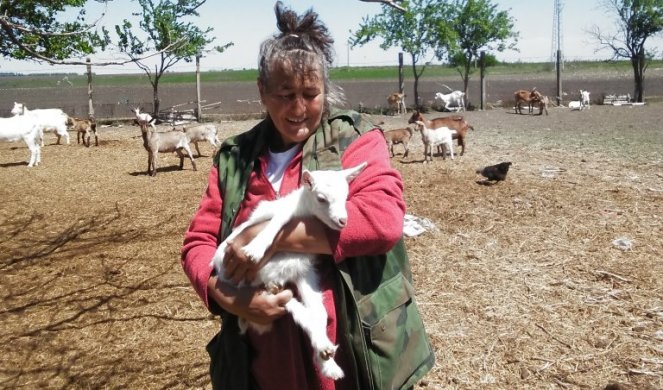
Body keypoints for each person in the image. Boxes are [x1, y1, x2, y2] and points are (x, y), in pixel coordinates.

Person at [181, 2, 434, 389]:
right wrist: (228, 297)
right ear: (262, 91)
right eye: (284, 94)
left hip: (350, 356)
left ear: (325, 91)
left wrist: (266, 237)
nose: (298, 108)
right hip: (265, 365)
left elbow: (382, 222)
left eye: (310, 94)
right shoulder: (236, 157)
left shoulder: (355, 140)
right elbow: (198, 243)